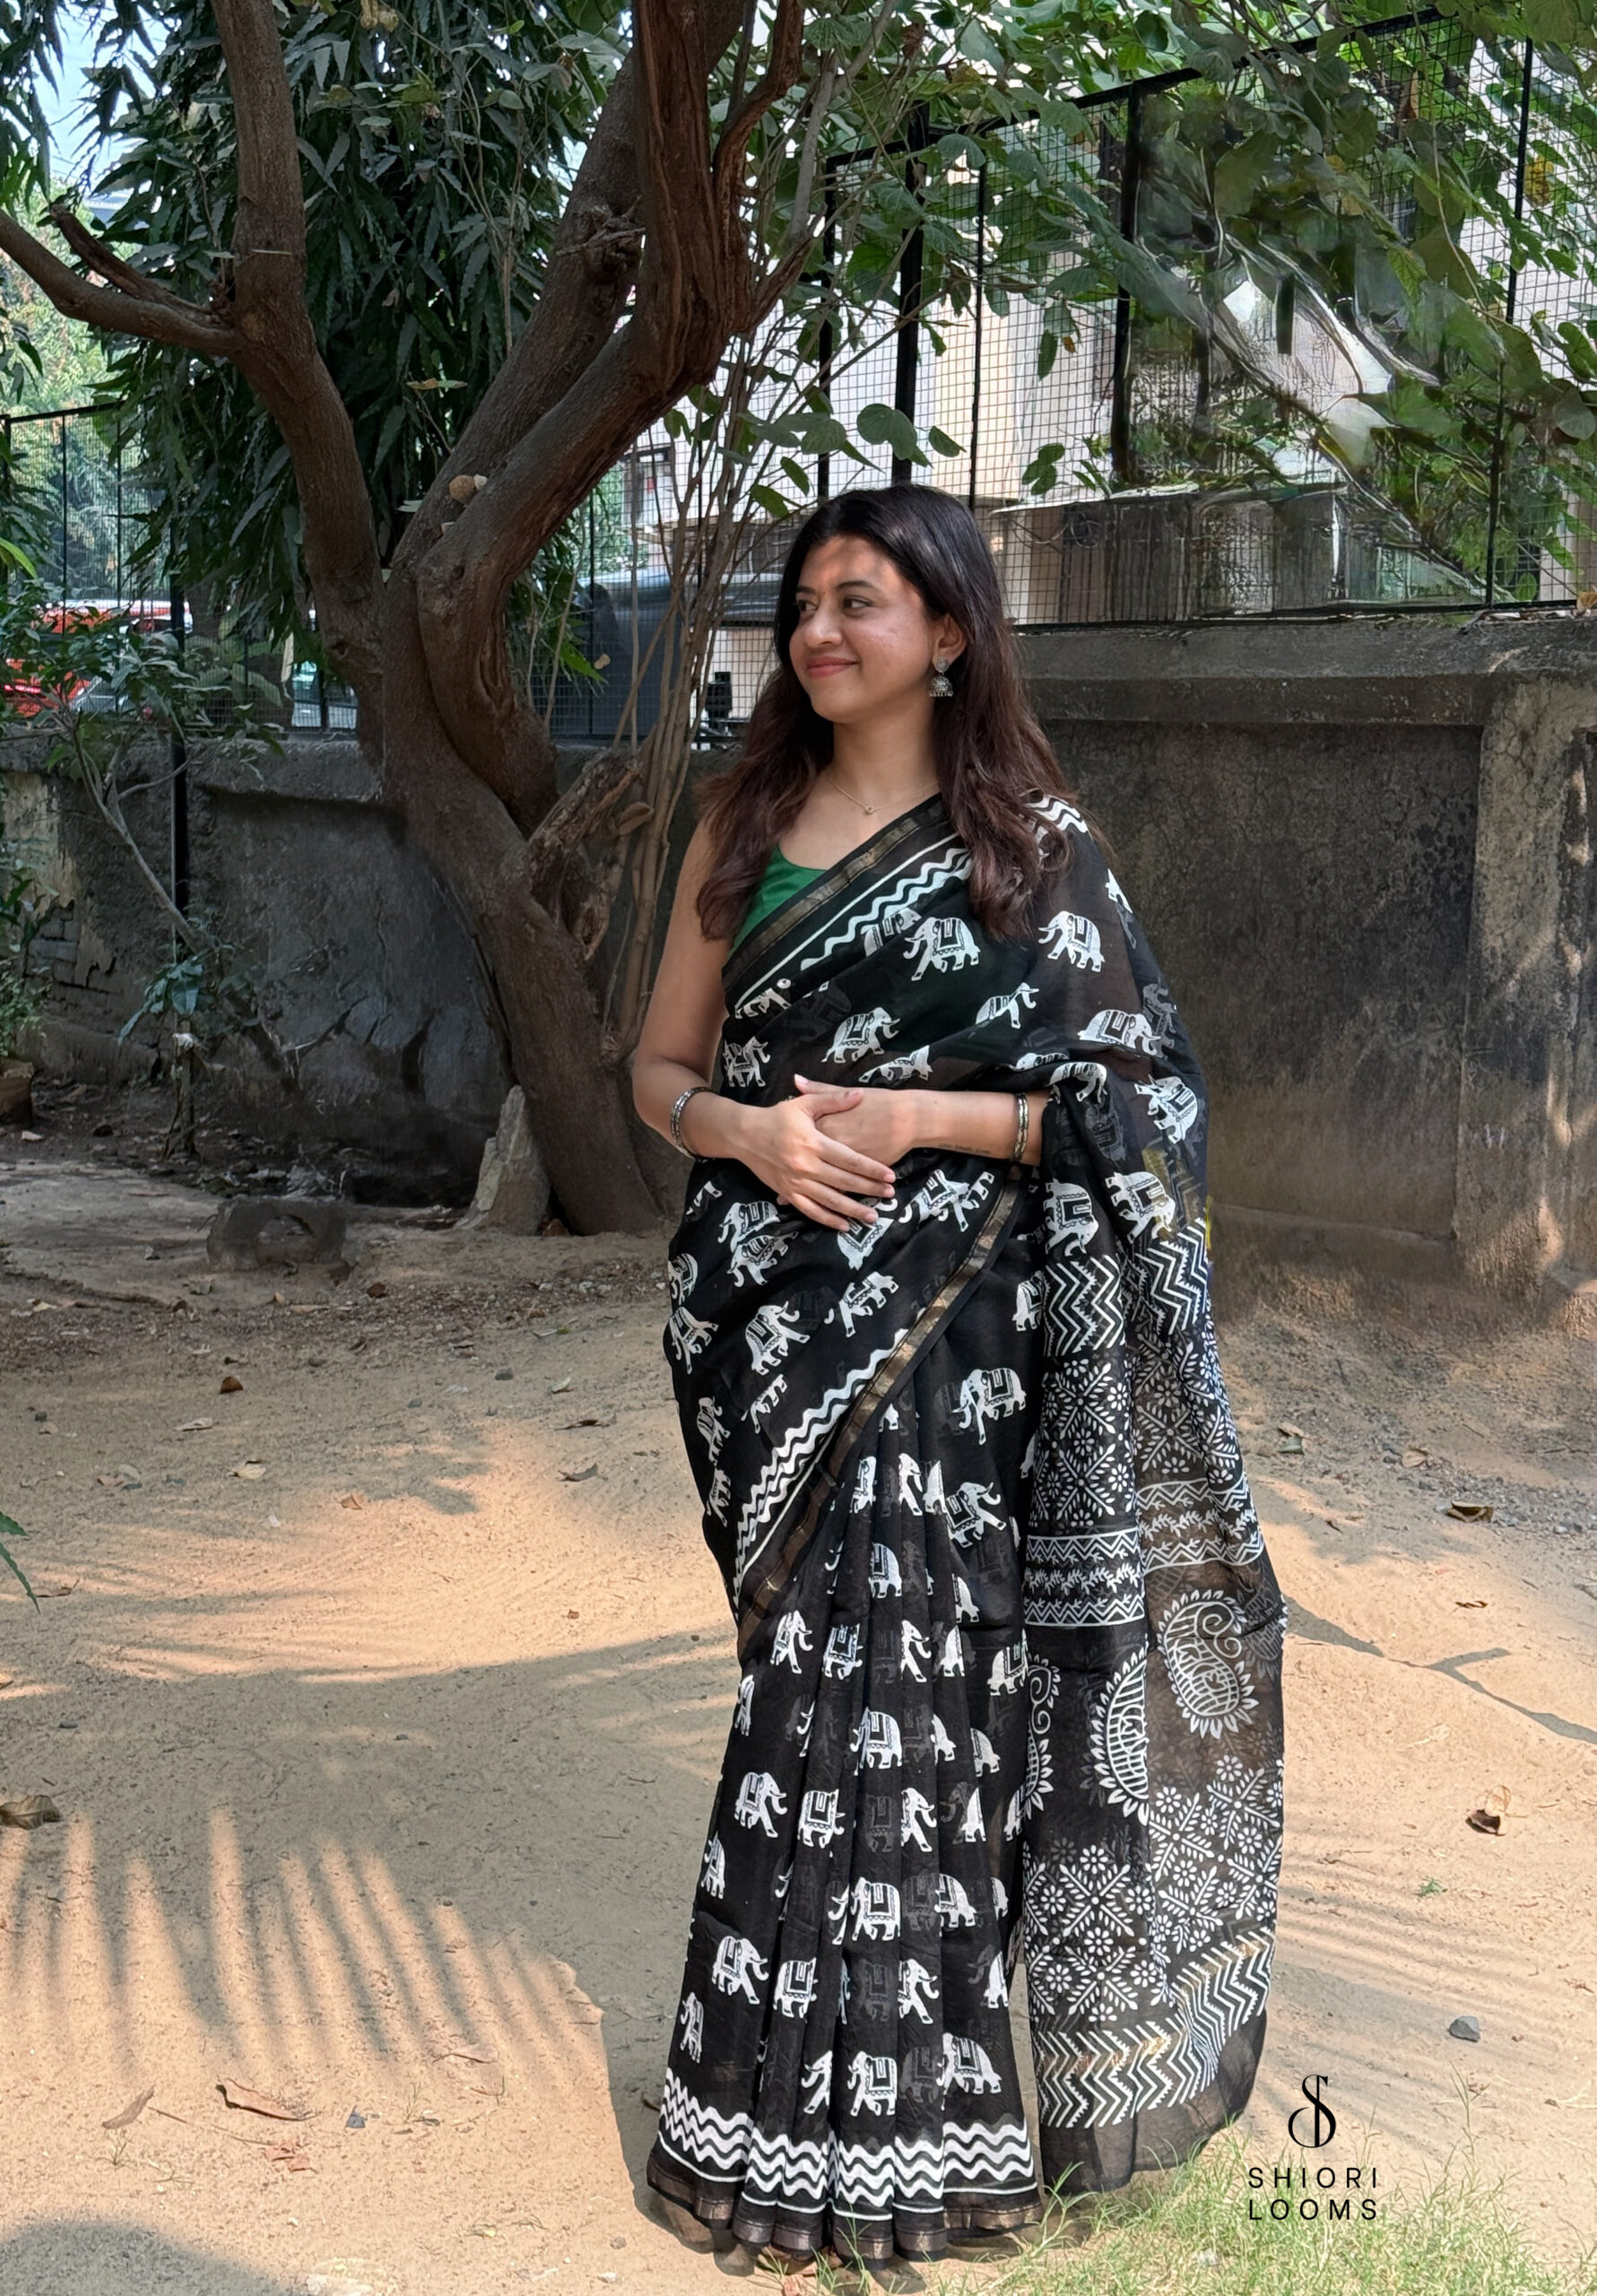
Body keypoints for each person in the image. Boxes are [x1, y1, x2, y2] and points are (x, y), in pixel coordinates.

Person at [630, 485, 1285, 2269]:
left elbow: (1146, 1112)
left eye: (860, 599)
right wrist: (749, 1135)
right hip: (782, 1316)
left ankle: (917, 2131)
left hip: (969, 1336)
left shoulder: (1036, 853)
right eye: (803, 602)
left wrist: (924, 1114)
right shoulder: (740, 825)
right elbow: (659, 1074)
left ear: (947, 629)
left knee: (925, 1692)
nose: (818, 631)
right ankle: (757, 2121)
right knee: (810, 1689)